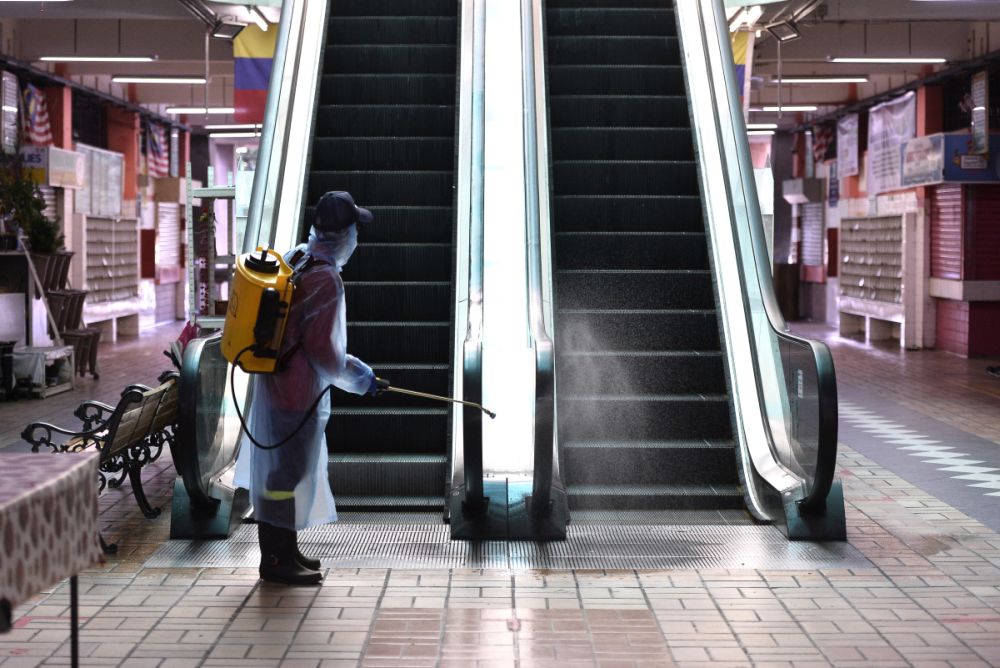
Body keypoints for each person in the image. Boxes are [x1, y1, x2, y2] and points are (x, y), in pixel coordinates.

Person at [234, 191, 388, 585]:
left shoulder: (298, 256)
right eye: (354, 229)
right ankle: (275, 561)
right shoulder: (325, 279)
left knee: (283, 474)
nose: (357, 237)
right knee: (285, 477)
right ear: (343, 235)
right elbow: (324, 352)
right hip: (297, 394)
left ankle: (285, 550)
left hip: (275, 386)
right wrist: (362, 379)